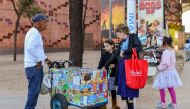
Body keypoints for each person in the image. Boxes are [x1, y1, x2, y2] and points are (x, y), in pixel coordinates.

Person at [103, 24, 143, 109]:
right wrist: (105, 65)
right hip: (122, 68)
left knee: (130, 92)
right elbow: (115, 55)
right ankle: (129, 106)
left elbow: (139, 48)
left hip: (130, 68)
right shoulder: (122, 42)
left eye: (117, 33)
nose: (117, 36)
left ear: (122, 31)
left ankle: (130, 107)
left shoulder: (133, 37)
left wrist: (125, 52)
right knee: (125, 94)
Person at [24, 13, 51, 109]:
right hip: (34, 67)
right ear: (39, 22)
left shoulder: (33, 32)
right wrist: (38, 61)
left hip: (32, 67)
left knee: (34, 91)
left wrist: (46, 60)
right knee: (33, 92)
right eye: (45, 22)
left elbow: (38, 50)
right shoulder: (35, 33)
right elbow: (30, 48)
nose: (46, 25)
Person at [153, 36, 182, 109]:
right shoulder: (171, 50)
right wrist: (162, 61)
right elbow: (169, 61)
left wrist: (158, 67)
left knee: (161, 87)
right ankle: (174, 104)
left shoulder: (166, 52)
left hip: (165, 72)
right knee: (170, 88)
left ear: (165, 43)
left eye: (162, 43)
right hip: (171, 71)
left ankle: (163, 103)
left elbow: (165, 64)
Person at [98, 39, 120, 109]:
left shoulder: (117, 54)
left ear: (112, 46)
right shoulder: (104, 54)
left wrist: (114, 66)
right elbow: (100, 65)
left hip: (113, 75)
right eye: (105, 46)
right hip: (104, 76)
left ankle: (114, 105)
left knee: (113, 90)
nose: (105, 48)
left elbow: (120, 64)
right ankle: (103, 105)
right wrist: (99, 70)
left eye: (107, 46)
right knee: (104, 90)